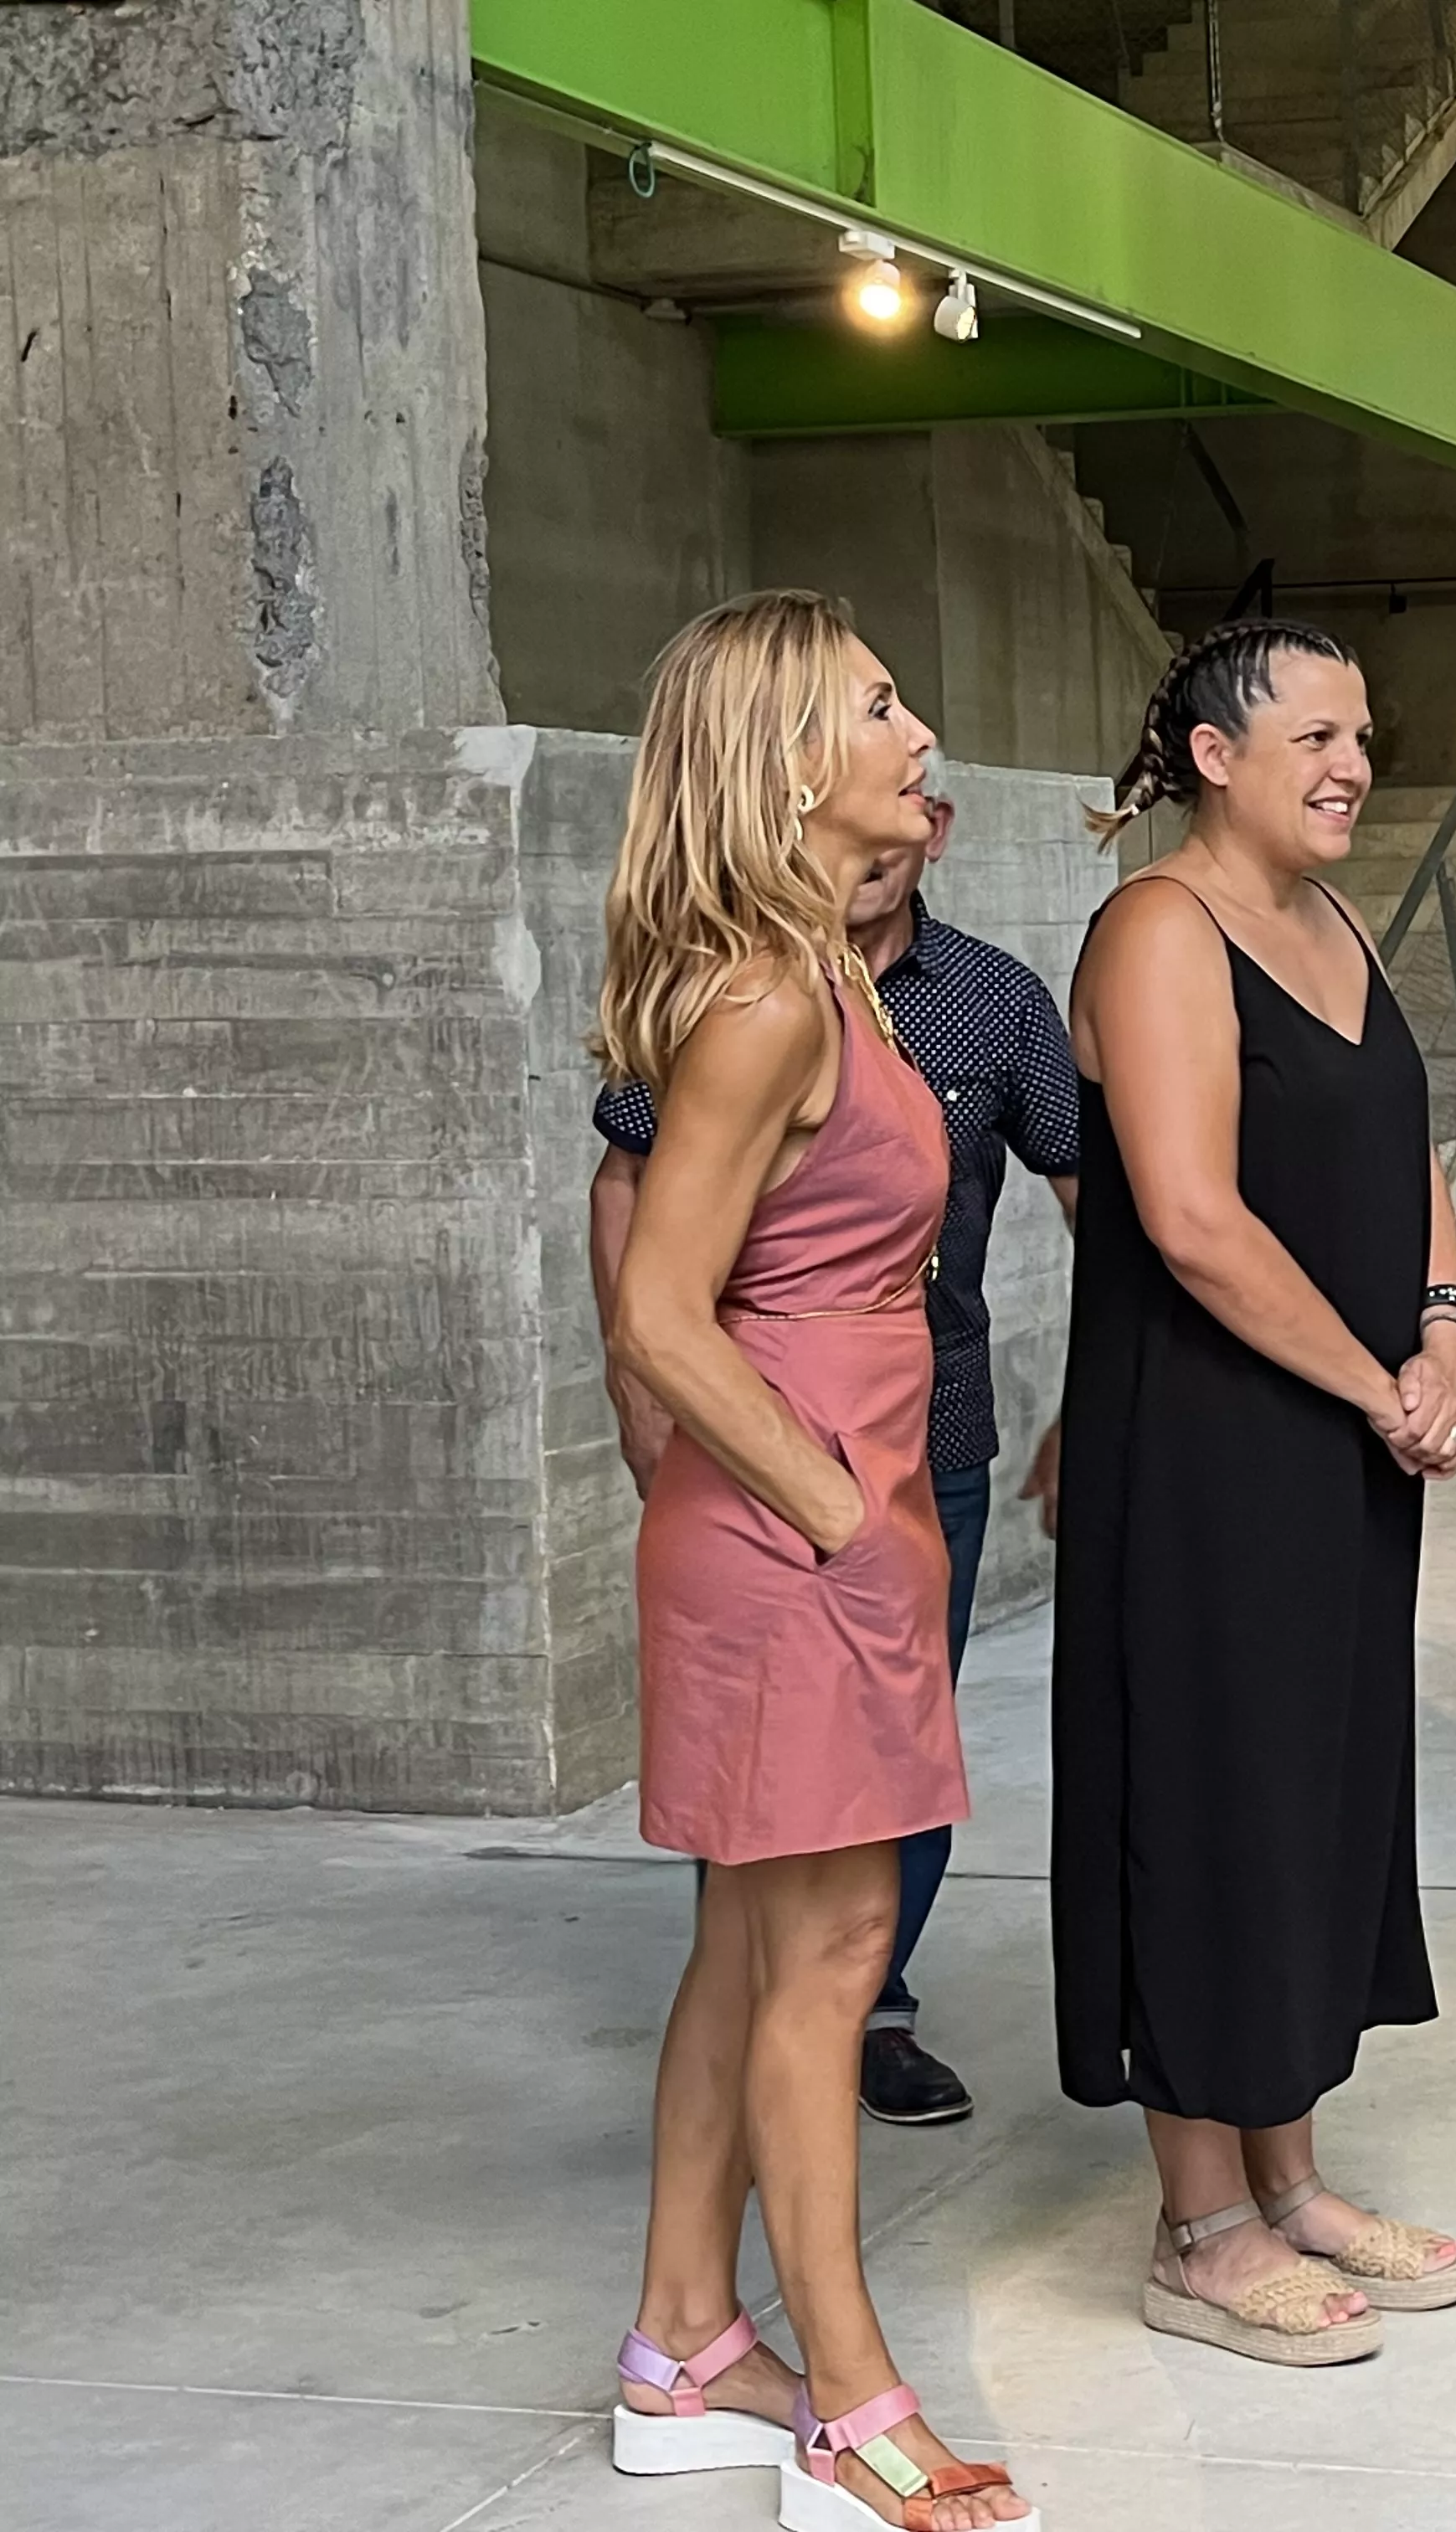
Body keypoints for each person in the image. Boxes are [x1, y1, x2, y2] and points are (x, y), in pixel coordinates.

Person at [597, 590, 1032, 2529]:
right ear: (788, 767)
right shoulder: (774, 1001)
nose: (919, 727)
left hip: (811, 1533)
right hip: (799, 1537)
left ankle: (684, 2346)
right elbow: (664, 1311)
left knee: (748, 1950)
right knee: (835, 1958)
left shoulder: (818, 981)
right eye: (877, 707)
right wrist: (841, 1506)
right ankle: (847, 2402)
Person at [1052, 620, 1456, 2369]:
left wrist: (1446, 1323)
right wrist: (1379, 1380)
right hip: (1214, 1450)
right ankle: (1201, 2225)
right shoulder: (1161, 931)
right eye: (1315, 736)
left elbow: (1410, 1149)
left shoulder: (1336, 919)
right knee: (1215, 1798)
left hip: (1345, 1447)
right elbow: (1194, 1223)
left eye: (1364, 736)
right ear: (1215, 756)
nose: (1351, 766)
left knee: (1318, 1789)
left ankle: (1289, 2175)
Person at [593, 789, 1083, 2128]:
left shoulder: (992, 998)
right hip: (769, 1446)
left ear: (935, 835)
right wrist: (653, 1407)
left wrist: (1095, 1392)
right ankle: (774, 2015)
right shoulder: (744, 997)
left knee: (899, 1767)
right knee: (759, 1803)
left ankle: (872, 2005)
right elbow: (632, 1188)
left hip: (936, 1438)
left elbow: (1096, 1194)